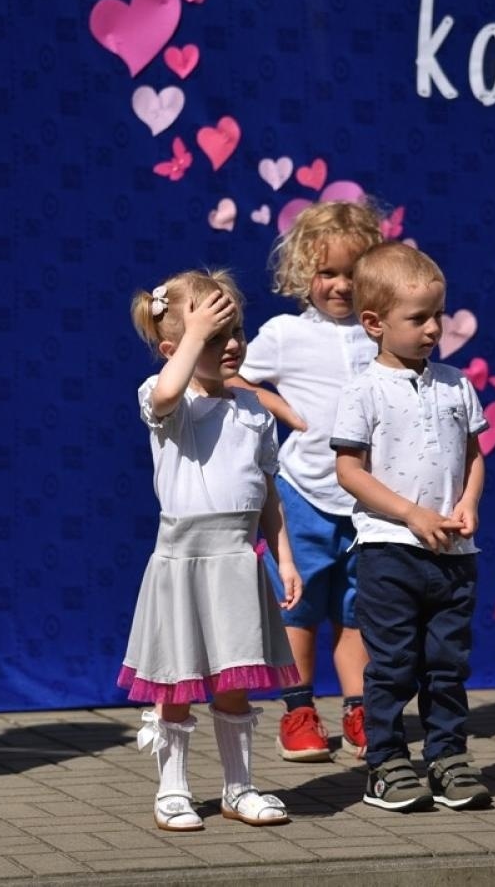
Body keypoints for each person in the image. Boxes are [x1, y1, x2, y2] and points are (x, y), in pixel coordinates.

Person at [120, 269, 303, 831]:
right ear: (175, 347)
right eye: (215, 337)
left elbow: (267, 492)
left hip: (236, 561)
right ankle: (172, 790)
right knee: (176, 682)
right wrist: (194, 335)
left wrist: (284, 557)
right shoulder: (164, 398)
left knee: (234, 680)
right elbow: (170, 389)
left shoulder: (254, 412)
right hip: (182, 562)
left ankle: (239, 787)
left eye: (236, 332)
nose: (233, 346)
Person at [331, 242, 492, 812]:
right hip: (390, 551)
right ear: (374, 323)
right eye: (417, 319)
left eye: (438, 316)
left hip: (454, 552)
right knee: (395, 664)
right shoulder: (362, 389)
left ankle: (447, 756)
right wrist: (410, 513)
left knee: (447, 665)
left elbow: (475, 455)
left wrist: (468, 501)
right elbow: (348, 469)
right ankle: (386, 762)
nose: (432, 329)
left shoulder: (456, 383)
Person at [235, 200, 383, 762]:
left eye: (352, 273)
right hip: (303, 495)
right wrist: (279, 406)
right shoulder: (285, 333)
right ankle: (298, 711)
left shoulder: (381, 333)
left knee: (357, 611)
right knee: (297, 609)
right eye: (328, 273)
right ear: (304, 272)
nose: (341, 285)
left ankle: (359, 708)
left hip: (369, 501)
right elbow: (234, 377)